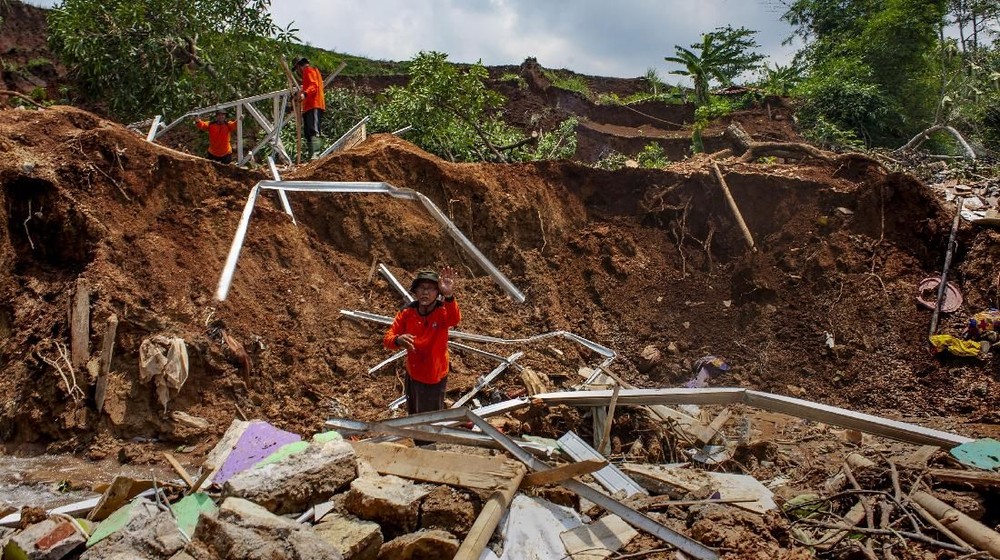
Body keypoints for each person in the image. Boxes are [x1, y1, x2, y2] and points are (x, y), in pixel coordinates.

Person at [383, 266, 461, 415]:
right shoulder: (407, 312)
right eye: (421, 288)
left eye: (431, 288)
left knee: (430, 418)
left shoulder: (443, 311)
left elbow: (455, 319)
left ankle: (429, 439)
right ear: (415, 291)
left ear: (437, 292)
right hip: (413, 373)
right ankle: (417, 438)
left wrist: (449, 294)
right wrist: (398, 340)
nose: (425, 292)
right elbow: (388, 339)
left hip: (435, 375)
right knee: (414, 412)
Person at [292, 56, 325, 160]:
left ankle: (316, 154)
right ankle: (312, 155)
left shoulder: (309, 70)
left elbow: (314, 86)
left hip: (314, 104)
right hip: (308, 106)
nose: (298, 72)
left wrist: (304, 94)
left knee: (313, 130)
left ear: (298, 66)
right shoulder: (308, 74)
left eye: (297, 69)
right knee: (308, 132)